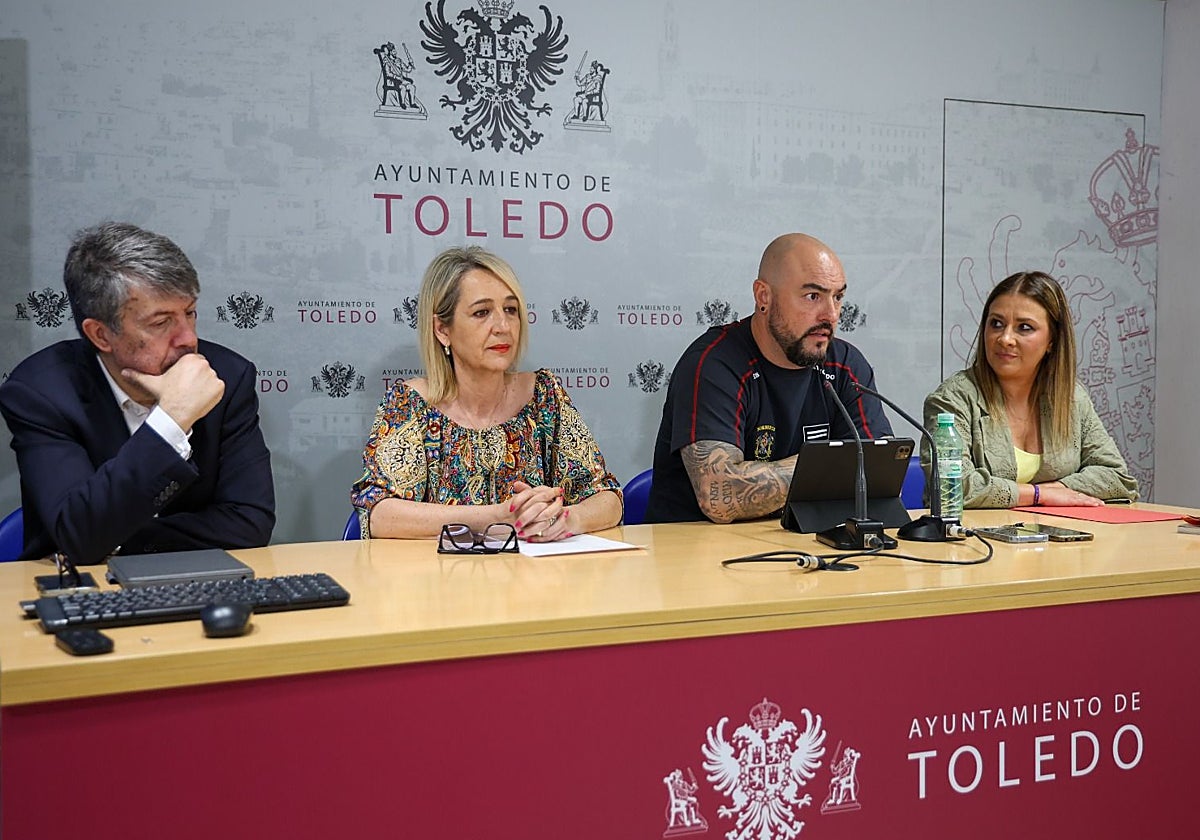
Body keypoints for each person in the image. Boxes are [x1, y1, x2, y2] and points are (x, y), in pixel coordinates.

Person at [0, 222, 275, 565]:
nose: (188, 339)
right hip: (78, 591)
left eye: (189, 313)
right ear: (101, 335)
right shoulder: (41, 393)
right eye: (161, 323)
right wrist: (173, 419)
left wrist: (114, 539)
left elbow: (250, 523)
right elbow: (80, 537)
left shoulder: (227, 376)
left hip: (197, 580)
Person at [351, 246, 622, 541]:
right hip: (437, 583)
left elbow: (608, 498)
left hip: (535, 583)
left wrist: (566, 519)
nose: (503, 327)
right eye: (482, 313)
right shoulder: (410, 405)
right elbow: (379, 516)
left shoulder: (544, 396)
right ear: (442, 329)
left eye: (510, 310)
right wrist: (496, 518)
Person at [645, 233, 893, 524]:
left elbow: (881, 475)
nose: (831, 315)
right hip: (699, 554)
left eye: (837, 297)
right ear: (764, 297)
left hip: (804, 546)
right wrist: (832, 467)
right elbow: (719, 497)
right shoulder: (715, 363)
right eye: (812, 296)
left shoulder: (845, 365)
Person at [923, 270, 1138, 508]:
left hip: (1059, 539)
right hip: (974, 541)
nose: (1005, 338)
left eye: (1024, 327)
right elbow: (953, 487)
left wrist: (1059, 490)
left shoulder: (1071, 398)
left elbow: (1117, 477)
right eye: (996, 324)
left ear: (1051, 342)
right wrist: (1039, 495)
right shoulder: (953, 399)